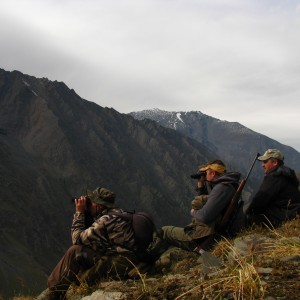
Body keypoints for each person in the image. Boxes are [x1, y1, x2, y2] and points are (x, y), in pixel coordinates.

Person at [37, 187, 142, 300]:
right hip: (127, 259)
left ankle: (54, 292)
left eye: (91, 202)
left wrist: (79, 212)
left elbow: (77, 238)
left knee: (75, 251)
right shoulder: (120, 213)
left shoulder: (105, 220)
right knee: (84, 254)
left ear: (99, 206)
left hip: (119, 263)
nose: (89, 205)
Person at [160, 160, 241, 252]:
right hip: (206, 232)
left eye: (206, 172)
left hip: (202, 237)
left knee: (163, 231)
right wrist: (201, 184)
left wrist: (194, 212)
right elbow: (208, 202)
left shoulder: (221, 189)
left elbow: (204, 216)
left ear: (213, 173)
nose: (204, 175)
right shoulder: (227, 185)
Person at [247, 149, 300, 227]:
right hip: (294, 213)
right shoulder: (287, 175)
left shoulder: (274, 177)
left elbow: (258, 202)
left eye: (265, 162)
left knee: (251, 218)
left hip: (286, 216)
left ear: (275, 162)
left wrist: (248, 213)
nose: (262, 165)